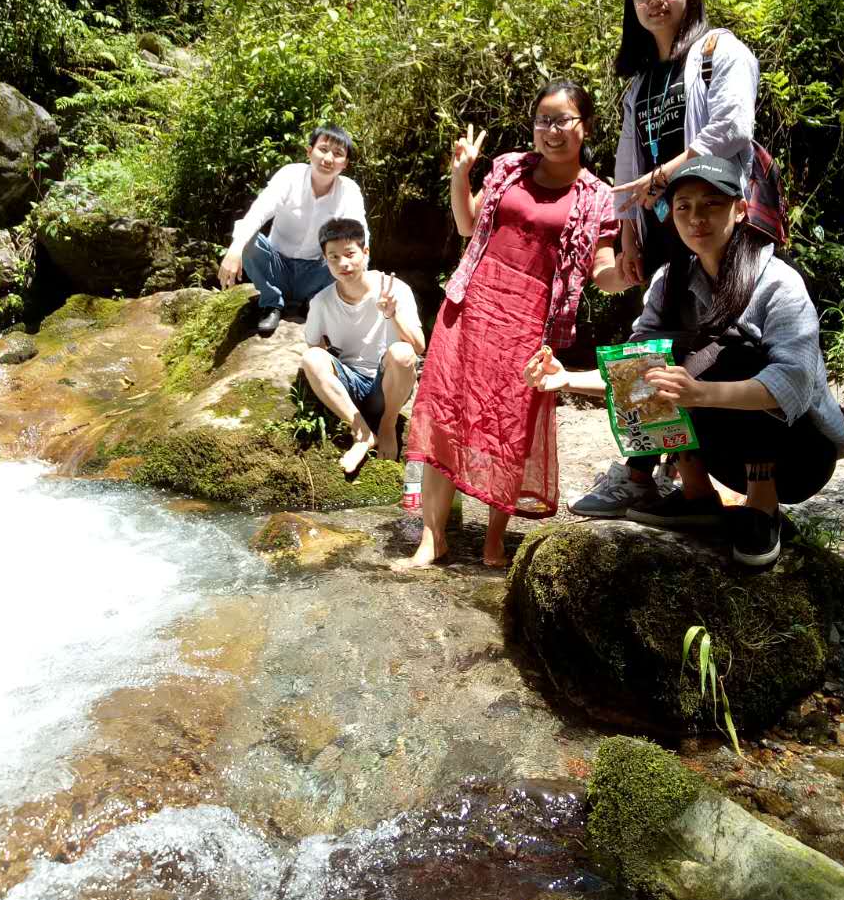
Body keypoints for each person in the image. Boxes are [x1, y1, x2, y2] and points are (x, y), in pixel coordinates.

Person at [524, 155, 844, 567]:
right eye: (684, 207)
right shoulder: (669, 280)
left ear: (740, 209)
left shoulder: (778, 283)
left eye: (711, 204)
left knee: (737, 352)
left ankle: (762, 508)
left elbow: (794, 382)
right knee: (655, 356)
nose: (697, 218)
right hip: (725, 453)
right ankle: (697, 495)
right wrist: (565, 379)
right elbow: (634, 371)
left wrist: (699, 392)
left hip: (799, 456)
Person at [393, 79, 629, 572]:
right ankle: (432, 539)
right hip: (472, 305)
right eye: (543, 120)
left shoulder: (597, 196)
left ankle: (494, 540)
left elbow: (603, 271)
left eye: (563, 120)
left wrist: (629, 273)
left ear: (585, 126)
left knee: (509, 426)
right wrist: (461, 175)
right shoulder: (508, 168)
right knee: (446, 415)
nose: (551, 130)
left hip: (531, 320)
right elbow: (467, 224)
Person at [574, 0, 760, 513]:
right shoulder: (640, 82)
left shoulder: (719, 52)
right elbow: (628, 164)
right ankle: (650, 473)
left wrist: (665, 175)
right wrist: (629, 232)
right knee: (651, 346)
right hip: (660, 229)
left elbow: (733, 127)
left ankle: (689, 476)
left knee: (715, 343)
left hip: (712, 221)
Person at [217, 125, 367, 337]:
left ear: (345, 163)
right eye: (323, 149)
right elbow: (259, 211)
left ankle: (314, 302)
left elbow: (359, 233)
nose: (328, 158)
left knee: (349, 255)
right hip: (276, 265)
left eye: (337, 153)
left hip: (316, 272)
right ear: (309, 151)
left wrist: (363, 278)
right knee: (248, 239)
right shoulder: (290, 176)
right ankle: (272, 302)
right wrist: (235, 250)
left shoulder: (348, 190)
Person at [301, 218, 425, 475]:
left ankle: (387, 426)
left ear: (365, 252)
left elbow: (419, 347)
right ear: (325, 260)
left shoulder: (395, 289)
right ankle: (363, 433)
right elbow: (316, 346)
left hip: (388, 386)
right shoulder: (321, 302)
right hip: (350, 386)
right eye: (334, 257)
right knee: (312, 357)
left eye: (349, 254)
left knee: (402, 353)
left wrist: (392, 314)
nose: (343, 264)